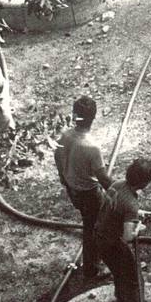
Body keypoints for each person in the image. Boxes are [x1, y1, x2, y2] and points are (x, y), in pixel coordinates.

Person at [95, 157, 151, 302]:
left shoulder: (116, 184)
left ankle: (121, 300)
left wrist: (137, 214)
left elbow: (115, 208)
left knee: (118, 272)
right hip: (113, 243)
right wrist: (138, 226)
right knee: (135, 283)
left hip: (99, 237)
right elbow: (128, 237)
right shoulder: (131, 203)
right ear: (144, 183)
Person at [53, 96, 112, 280]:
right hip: (89, 194)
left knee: (89, 224)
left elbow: (56, 155)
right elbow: (102, 178)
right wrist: (119, 190)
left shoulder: (65, 135)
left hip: (73, 190)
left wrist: (63, 177)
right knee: (94, 228)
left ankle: (93, 262)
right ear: (93, 117)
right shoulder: (91, 146)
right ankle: (92, 269)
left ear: (74, 115)